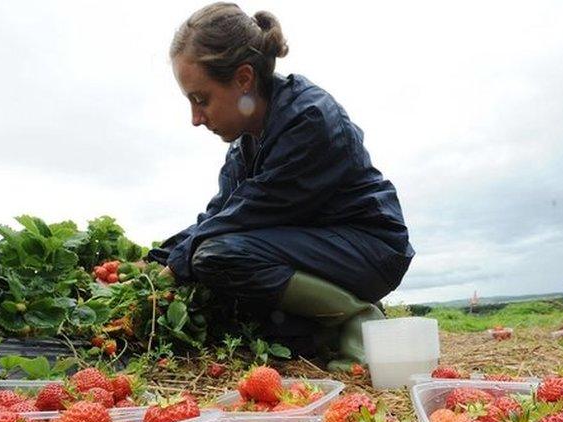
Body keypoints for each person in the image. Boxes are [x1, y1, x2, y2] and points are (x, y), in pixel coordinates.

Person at [147, 2, 414, 372]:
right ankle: (321, 330)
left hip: (369, 247)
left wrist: (178, 264)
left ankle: (356, 315)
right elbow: (219, 214)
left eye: (201, 98)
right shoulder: (245, 144)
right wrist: (157, 258)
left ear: (243, 78)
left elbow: (245, 215)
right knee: (244, 309)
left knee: (216, 256)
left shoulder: (310, 120)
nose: (195, 118)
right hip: (316, 245)